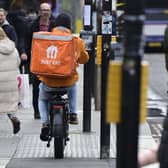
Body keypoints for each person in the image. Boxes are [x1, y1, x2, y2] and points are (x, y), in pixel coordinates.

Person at [37, 13, 89, 141]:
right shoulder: (76, 41)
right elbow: (84, 59)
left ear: (55, 24)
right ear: (69, 25)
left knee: (42, 99)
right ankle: (73, 113)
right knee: (74, 85)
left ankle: (44, 123)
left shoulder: (45, 38)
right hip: (67, 81)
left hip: (49, 81)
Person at [28, 2, 56, 119]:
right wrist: (25, 53)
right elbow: (27, 41)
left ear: (50, 12)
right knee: (36, 87)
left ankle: (51, 109)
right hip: (37, 61)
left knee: (52, 86)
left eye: (47, 10)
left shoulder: (54, 25)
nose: (45, 12)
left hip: (52, 60)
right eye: (43, 10)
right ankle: (36, 111)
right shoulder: (33, 25)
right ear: (40, 12)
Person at [0, 27, 20, 134]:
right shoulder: (12, 47)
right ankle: (13, 118)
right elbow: (18, 62)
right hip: (10, 81)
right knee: (8, 104)